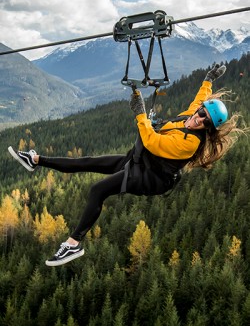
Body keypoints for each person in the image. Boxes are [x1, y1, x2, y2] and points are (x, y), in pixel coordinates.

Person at [8, 64, 244, 267]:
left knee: (97, 190)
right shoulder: (191, 115)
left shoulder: (189, 143)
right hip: (141, 160)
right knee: (87, 162)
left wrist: (141, 114)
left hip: (150, 177)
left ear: (208, 129)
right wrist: (209, 79)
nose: (199, 118)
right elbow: (200, 98)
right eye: (202, 112)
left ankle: (73, 244)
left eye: (205, 121)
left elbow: (152, 142)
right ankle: (35, 160)